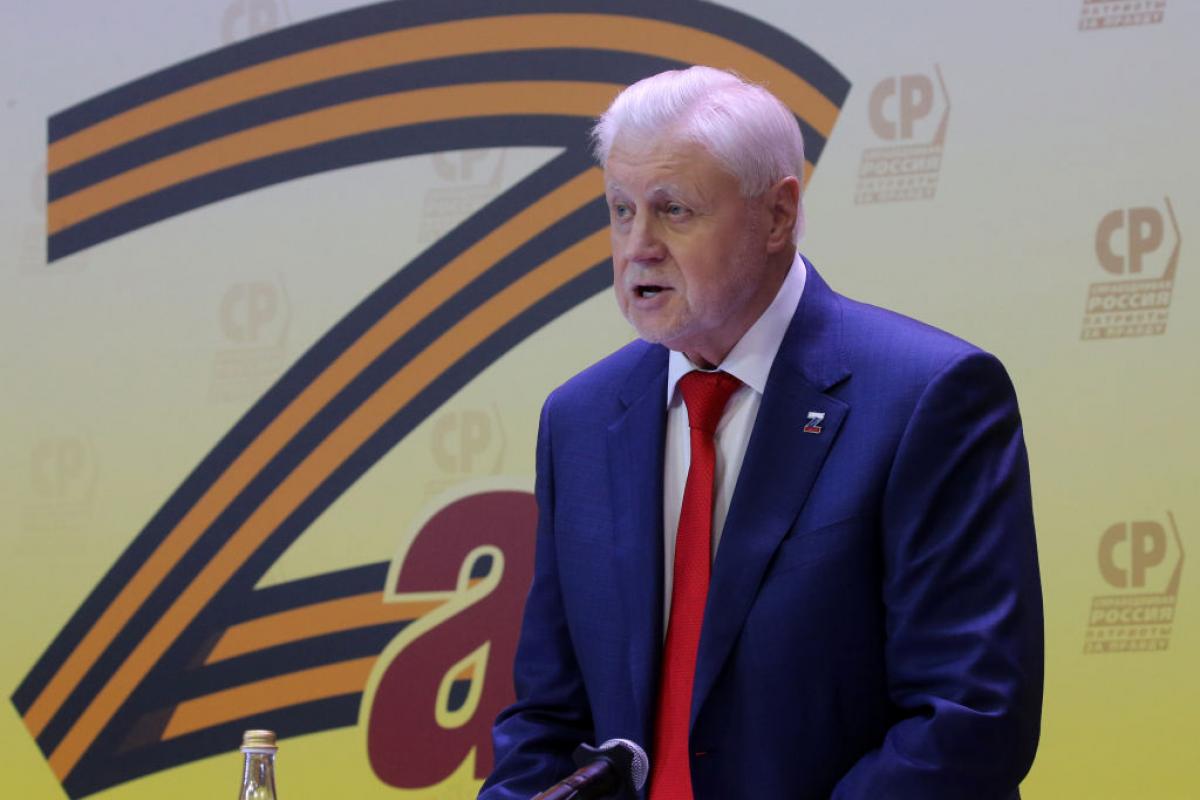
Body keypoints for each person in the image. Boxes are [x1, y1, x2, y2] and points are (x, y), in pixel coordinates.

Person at [479, 66, 1043, 800]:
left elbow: (967, 719)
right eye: (621, 210)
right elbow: (548, 719)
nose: (638, 246)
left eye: (674, 210)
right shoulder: (580, 419)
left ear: (778, 215)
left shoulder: (929, 397)